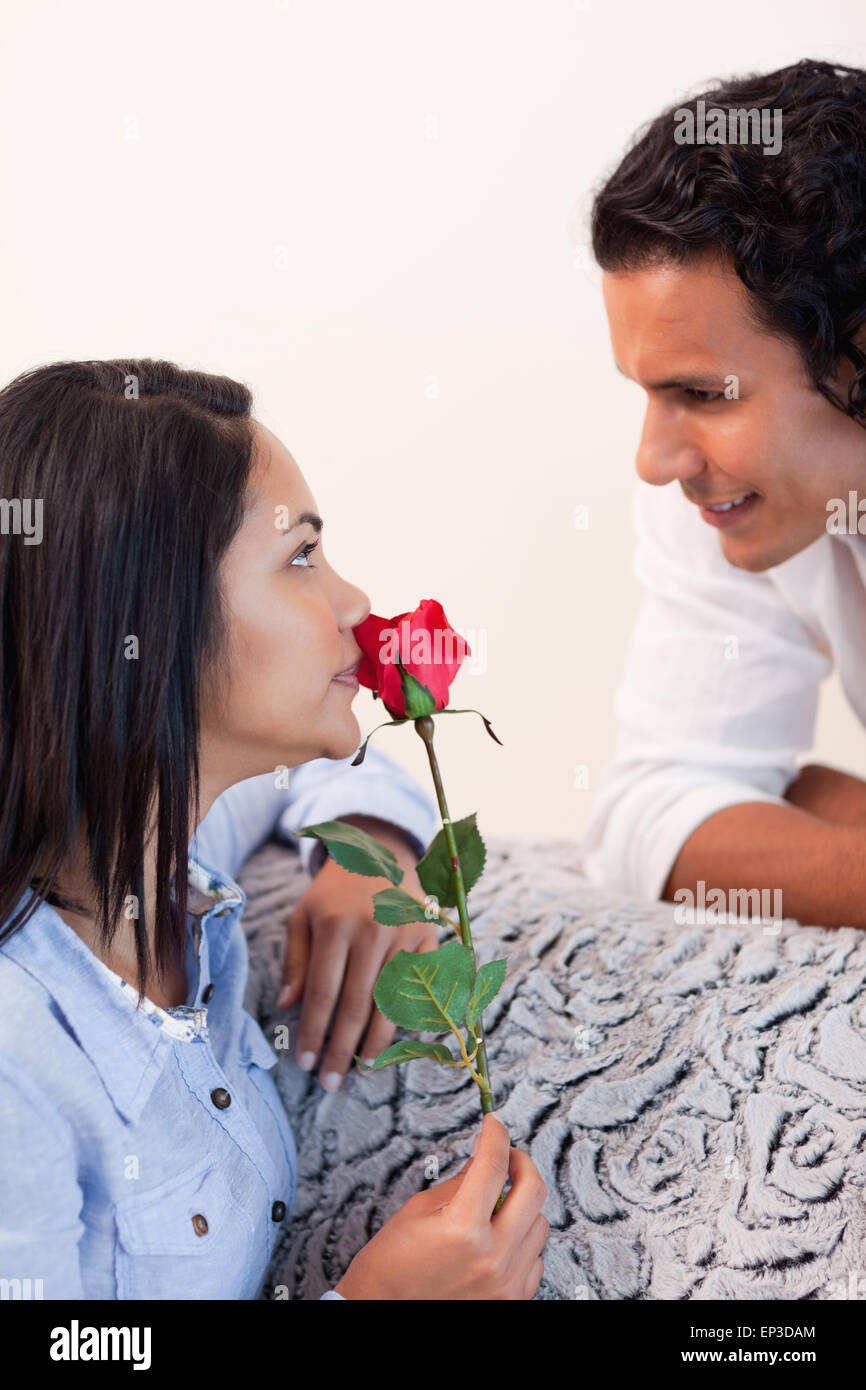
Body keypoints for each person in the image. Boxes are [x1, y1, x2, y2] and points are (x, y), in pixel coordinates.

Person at [0, 358, 548, 1300]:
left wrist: (367, 854)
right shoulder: (20, 1069)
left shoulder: (162, 849)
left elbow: (324, 791)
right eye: (299, 556)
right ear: (149, 618)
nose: (357, 607)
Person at [580, 59, 866, 928]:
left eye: (703, 396)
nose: (655, 461)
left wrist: (822, 806)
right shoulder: (727, 501)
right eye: (647, 392)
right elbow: (647, 816)